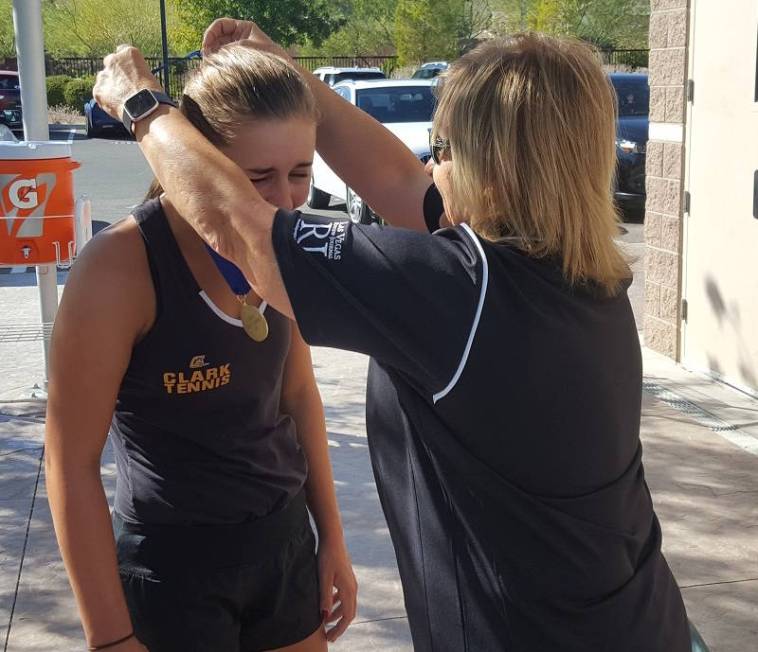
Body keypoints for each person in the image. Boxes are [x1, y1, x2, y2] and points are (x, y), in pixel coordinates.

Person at [94, 23, 692, 651]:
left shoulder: (457, 296)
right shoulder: (582, 272)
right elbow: (401, 184)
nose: (434, 164)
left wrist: (139, 103)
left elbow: (237, 226)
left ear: (497, 168)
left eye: (448, 147)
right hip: (637, 619)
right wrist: (293, 79)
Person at [45, 45, 356, 652]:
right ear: (196, 162)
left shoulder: (283, 249)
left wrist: (332, 539)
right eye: (258, 177)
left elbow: (297, 395)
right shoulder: (120, 267)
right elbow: (70, 462)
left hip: (283, 544)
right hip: (172, 566)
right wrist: (109, 637)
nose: (286, 203)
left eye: (300, 173)